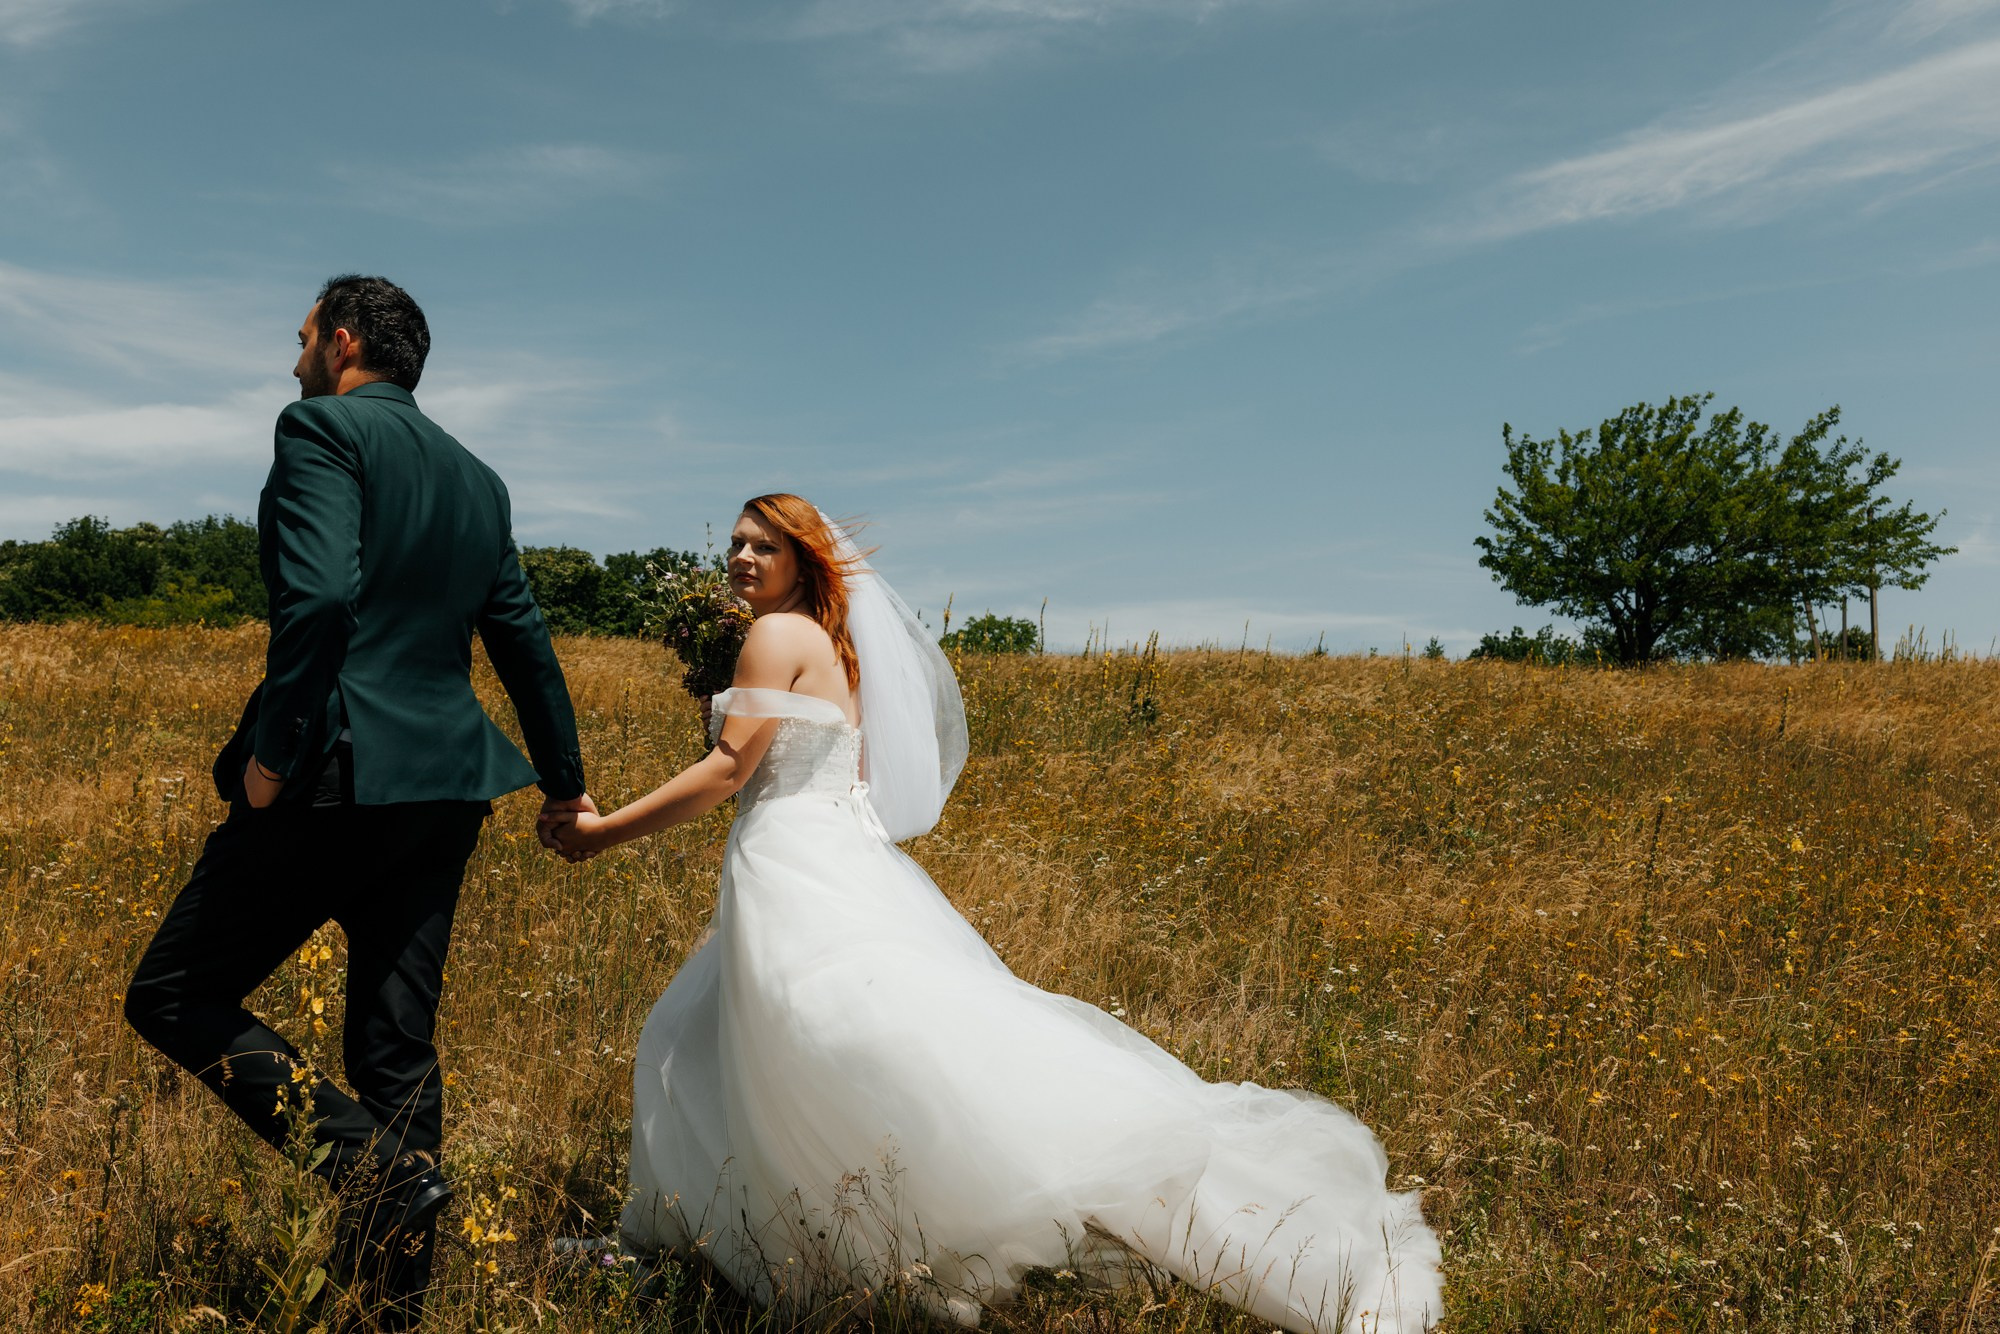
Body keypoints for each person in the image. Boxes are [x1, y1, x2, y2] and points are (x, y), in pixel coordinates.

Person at [543, 494, 1442, 1333]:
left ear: (801, 558)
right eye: (736, 543)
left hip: (795, 863)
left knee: (796, 1046)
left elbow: (728, 774)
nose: (741, 556)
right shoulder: (829, 638)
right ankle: (721, 1235)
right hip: (825, 855)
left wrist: (601, 831)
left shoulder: (777, 634)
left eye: (762, 544)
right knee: (721, 1036)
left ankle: (828, 1238)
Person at [124, 275, 595, 1330]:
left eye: (299, 339)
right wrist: (562, 781)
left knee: (168, 993)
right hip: (446, 789)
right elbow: (520, 635)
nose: (290, 360)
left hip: (333, 773)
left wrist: (270, 760)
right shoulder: (477, 476)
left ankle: (370, 1172)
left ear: (342, 342)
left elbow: (324, 597)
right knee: (394, 1043)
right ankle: (386, 1310)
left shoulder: (320, 429)